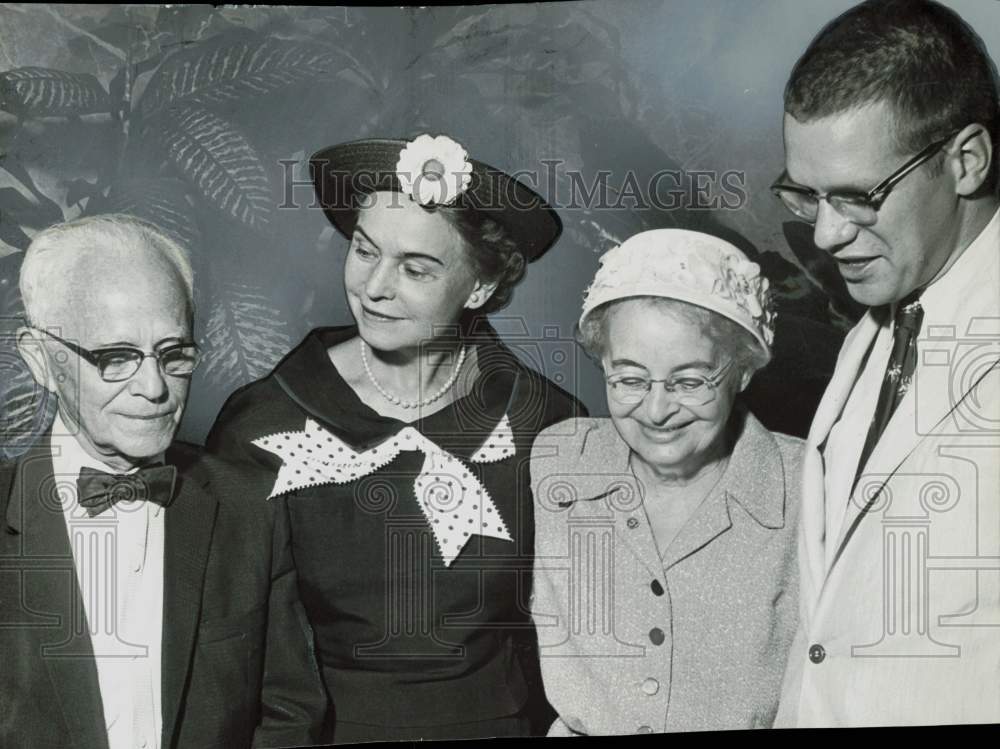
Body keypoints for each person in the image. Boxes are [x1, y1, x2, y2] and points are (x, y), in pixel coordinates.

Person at [205, 133, 585, 743]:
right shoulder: (263, 423)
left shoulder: (547, 423)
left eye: (415, 268)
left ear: (479, 289)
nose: (375, 286)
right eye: (364, 250)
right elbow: (232, 655)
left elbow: (580, 632)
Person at [0, 214, 328, 748]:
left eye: (174, 355)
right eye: (115, 358)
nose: (155, 388)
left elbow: (290, 713)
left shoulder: (249, 507)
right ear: (40, 359)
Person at [770, 0, 1000, 727]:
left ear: (966, 160)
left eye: (859, 197)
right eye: (808, 195)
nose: (829, 234)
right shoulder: (874, 329)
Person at [529, 228, 802, 733]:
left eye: (690, 381)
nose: (657, 411)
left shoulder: (810, 488)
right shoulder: (559, 460)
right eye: (630, 379)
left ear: (742, 371)